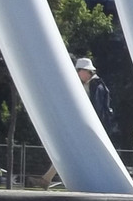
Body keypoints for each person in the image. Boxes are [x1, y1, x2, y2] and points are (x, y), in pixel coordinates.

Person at [39, 56, 115, 189]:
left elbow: (96, 109)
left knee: (69, 152)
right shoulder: (93, 85)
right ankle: (47, 178)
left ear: (85, 71)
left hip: (89, 129)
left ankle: (47, 178)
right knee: (69, 152)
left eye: (79, 70)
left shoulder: (95, 86)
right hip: (89, 129)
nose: (78, 74)